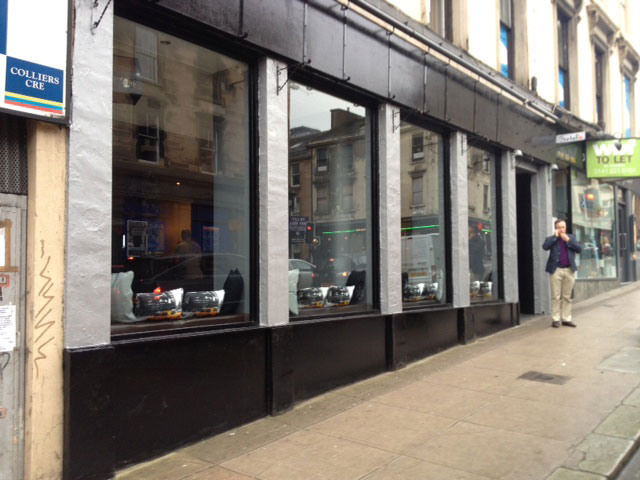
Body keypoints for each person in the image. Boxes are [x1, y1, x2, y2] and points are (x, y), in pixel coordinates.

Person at [542, 219, 582, 328]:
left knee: (567, 297)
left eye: (563, 227)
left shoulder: (571, 238)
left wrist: (568, 240)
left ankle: (566, 319)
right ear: (556, 228)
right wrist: (555, 237)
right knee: (556, 296)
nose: (561, 229)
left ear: (565, 227)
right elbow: (545, 247)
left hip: (569, 270)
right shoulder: (551, 239)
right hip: (556, 270)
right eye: (559, 227)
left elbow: (579, 249)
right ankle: (555, 319)